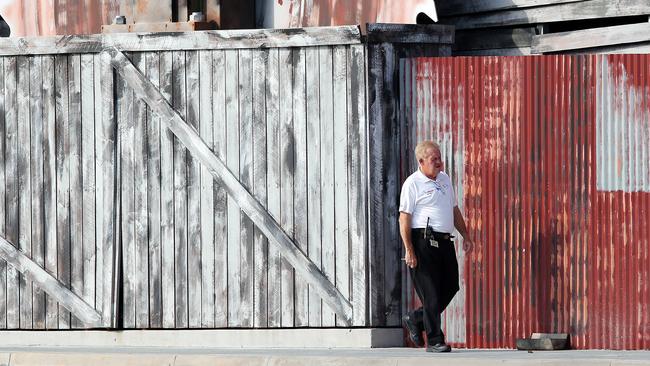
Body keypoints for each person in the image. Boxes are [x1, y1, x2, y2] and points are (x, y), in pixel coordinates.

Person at [399, 140, 473, 353]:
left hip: (444, 242)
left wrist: (466, 235)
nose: (439, 162)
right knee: (430, 293)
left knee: (450, 286)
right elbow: (404, 219)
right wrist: (409, 250)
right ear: (421, 162)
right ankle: (434, 340)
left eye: (440, 158)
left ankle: (416, 318)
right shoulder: (412, 183)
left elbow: (454, 209)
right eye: (434, 159)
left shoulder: (445, 180)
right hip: (422, 242)